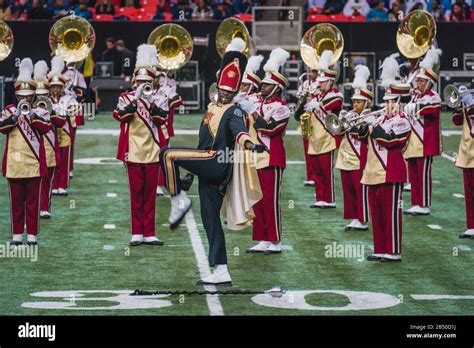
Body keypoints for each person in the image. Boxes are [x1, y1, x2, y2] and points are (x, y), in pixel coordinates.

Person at [159, 38, 264, 285]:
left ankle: (178, 201)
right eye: (223, 90)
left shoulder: (234, 110)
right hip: (207, 167)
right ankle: (221, 269)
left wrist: (251, 144)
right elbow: (202, 144)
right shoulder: (212, 107)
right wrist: (191, 175)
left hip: (217, 163)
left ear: (236, 92)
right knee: (210, 219)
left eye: (231, 91)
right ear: (217, 87)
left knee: (168, 154)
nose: (226, 94)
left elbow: (239, 131)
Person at [357, 54, 411, 262]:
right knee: (377, 214)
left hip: (391, 173)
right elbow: (364, 139)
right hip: (372, 173)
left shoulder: (402, 121)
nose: (385, 104)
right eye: (385, 100)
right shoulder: (379, 118)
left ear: (397, 101)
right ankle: (380, 248)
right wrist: (363, 125)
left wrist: (374, 125)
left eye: (389, 101)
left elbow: (390, 140)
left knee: (391, 214)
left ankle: (393, 251)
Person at [113, 44, 168, 247]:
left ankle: (150, 232)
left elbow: (162, 120)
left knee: (150, 193)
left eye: (147, 82)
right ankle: (137, 232)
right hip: (133, 151)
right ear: (134, 81)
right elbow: (122, 117)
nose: (144, 84)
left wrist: (151, 102)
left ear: (152, 82)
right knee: (136, 193)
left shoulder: (160, 97)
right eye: (140, 81)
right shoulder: (125, 98)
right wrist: (135, 100)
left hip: (153, 150)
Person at [241, 48, 291, 254]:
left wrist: (251, 110)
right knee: (257, 200)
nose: (262, 87)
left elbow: (269, 129)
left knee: (270, 201)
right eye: (263, 84)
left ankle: (275, 240)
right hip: (254, 158)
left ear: (277, 88)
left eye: (267, 85)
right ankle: (262, 238)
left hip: (271, 158)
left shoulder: (282, 107)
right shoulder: (255, 100)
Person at [0, 58, 52, 246]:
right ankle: (16, 235)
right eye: (22, 96)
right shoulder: (9, 111)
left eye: (28, 96)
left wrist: (30, 114)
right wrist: (16, 116)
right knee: (16, 202)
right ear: (17, 96)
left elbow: (46, 127)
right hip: (14, 164)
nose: (25, 99)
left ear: (33, 96)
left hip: (34, 163)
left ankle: (32, 234)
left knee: (32, 201)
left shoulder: (41, 111)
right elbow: (2, 128)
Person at [403, 48, 442, 216]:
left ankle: (424, 204)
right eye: (417, 81)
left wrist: (416, 107)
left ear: (429, 83)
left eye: (421, 81)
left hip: (424, 141)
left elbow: (432, 109)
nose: (417, 84)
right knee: (413, 174)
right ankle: (415, 202)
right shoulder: (415, 96)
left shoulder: (433, 96)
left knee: (423, 174)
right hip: (412, 140)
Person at [304, 50, 343, 208]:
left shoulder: (336, 94)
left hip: (327, 137)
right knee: (317, 170)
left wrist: (318, 104)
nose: (319, 84)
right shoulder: (316, 96)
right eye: (319, 82)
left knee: (326, 170)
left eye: (322, 82)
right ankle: (320, 197)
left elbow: (335, 103)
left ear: (330, 82)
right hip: (314, 137)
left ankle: (329, 199)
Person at [336, 65, 372, 231]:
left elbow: (362, 133)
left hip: (359, 157)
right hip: (345, 156)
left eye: (359, 102)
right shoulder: (349, 115)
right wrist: (341, 120)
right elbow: (337, 132)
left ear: (367, 103)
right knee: (348, 189)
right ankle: (353, 216)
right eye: (354, 101)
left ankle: (362, 218)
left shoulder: (370, 117)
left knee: (360, 188)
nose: (355, 105)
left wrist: (349, 125)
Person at [34, 60, 66, 219]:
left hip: (50, 148)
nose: (41, 97)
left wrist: (51, 112)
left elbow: (61, 122)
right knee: (34, 181)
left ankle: (45, 207)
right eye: (38, 95)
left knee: (47, 180)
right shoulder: (28, 109)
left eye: (43, 94)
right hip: (34, 149)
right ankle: (35, 207)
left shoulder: (52, 106)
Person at [49, 56, 80, 196]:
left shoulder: (68, 98)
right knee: (53, 159)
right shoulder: (46, 100)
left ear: (62, 87)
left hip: (64, 131)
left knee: (64, 159)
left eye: (58, 87)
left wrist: (65, 112)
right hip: (50, 133)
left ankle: (62, 185)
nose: (55, 89)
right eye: (53, 86)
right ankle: (54, 185)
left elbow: (76, 108)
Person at [452, 87, 474, 239]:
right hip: (467, 152)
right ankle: (471, 226)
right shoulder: (470, 102)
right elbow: (456, 121)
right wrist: (460, 106)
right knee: (469, 193)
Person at [295, 68, 318, 187]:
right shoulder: (305, 83)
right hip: (306, 117)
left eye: (314, 71)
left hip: (316, 119)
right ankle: (310, 177)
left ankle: (316, 177)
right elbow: (298, 97)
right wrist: (302, 95)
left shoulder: (321, 84)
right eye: (311, 71)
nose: (312, 74)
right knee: (306, 149)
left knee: (315, 149)